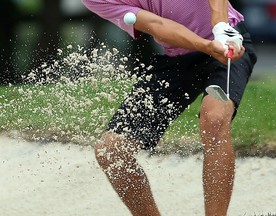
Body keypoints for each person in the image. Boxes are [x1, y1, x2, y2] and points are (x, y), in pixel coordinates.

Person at [82, 0, 257, 215]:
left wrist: (221, 28)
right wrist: (206, 46)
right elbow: (157, 24)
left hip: (229, 43)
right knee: (111, 150)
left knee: (214, 119)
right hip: (179, 57)